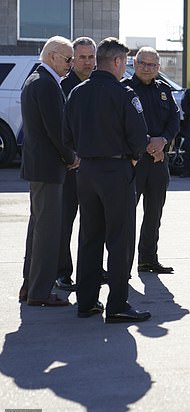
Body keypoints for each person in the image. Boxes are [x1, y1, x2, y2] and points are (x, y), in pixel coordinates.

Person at [63, 37, 151, 322]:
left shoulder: (76, 92)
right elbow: (139, 138)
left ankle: (87, 302)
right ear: (115, 62)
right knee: (119, 239)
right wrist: (133, 159)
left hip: (85, 171)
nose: (125, 67)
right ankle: (117, 305)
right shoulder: (124, 94)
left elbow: (67, 137)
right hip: (116, 171)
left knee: (89, 237)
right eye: (124, 62)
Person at [20, 36, 78, 307]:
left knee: (39, 229)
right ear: (53, 56)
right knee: (47, 232)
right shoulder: (46, 83)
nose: (71, 64)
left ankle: (30, 286)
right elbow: (56, 130)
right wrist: (71, 157)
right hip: (48, 167)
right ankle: (40, 291)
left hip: (40, 167)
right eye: (68, 59)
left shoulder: (37, 79)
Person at [122, 47, 180, 274]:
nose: (147, 68)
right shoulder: (124, 89)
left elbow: (174, 120)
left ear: (158, 67)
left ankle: (148, 259)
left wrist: (163, 141)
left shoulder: (164, 90)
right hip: (133, 161)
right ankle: (122, 263)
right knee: (126, 214)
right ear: (134, 64)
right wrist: (147, 143)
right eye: (143, 64)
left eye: (152, 65)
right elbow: (122, 124)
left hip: (158, 161)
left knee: (154, 212)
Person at [55, 36, 97, 292]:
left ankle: (91, 270)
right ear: (72, 59)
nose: (87, 62)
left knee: (94, 223)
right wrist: (70, 157)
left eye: (91, 57)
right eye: (81, 57)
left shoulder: (99, 84)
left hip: (96, 166)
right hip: (70, 166)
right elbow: (58, 129)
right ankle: (62, 272)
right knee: (65, 221)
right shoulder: (63, 86)